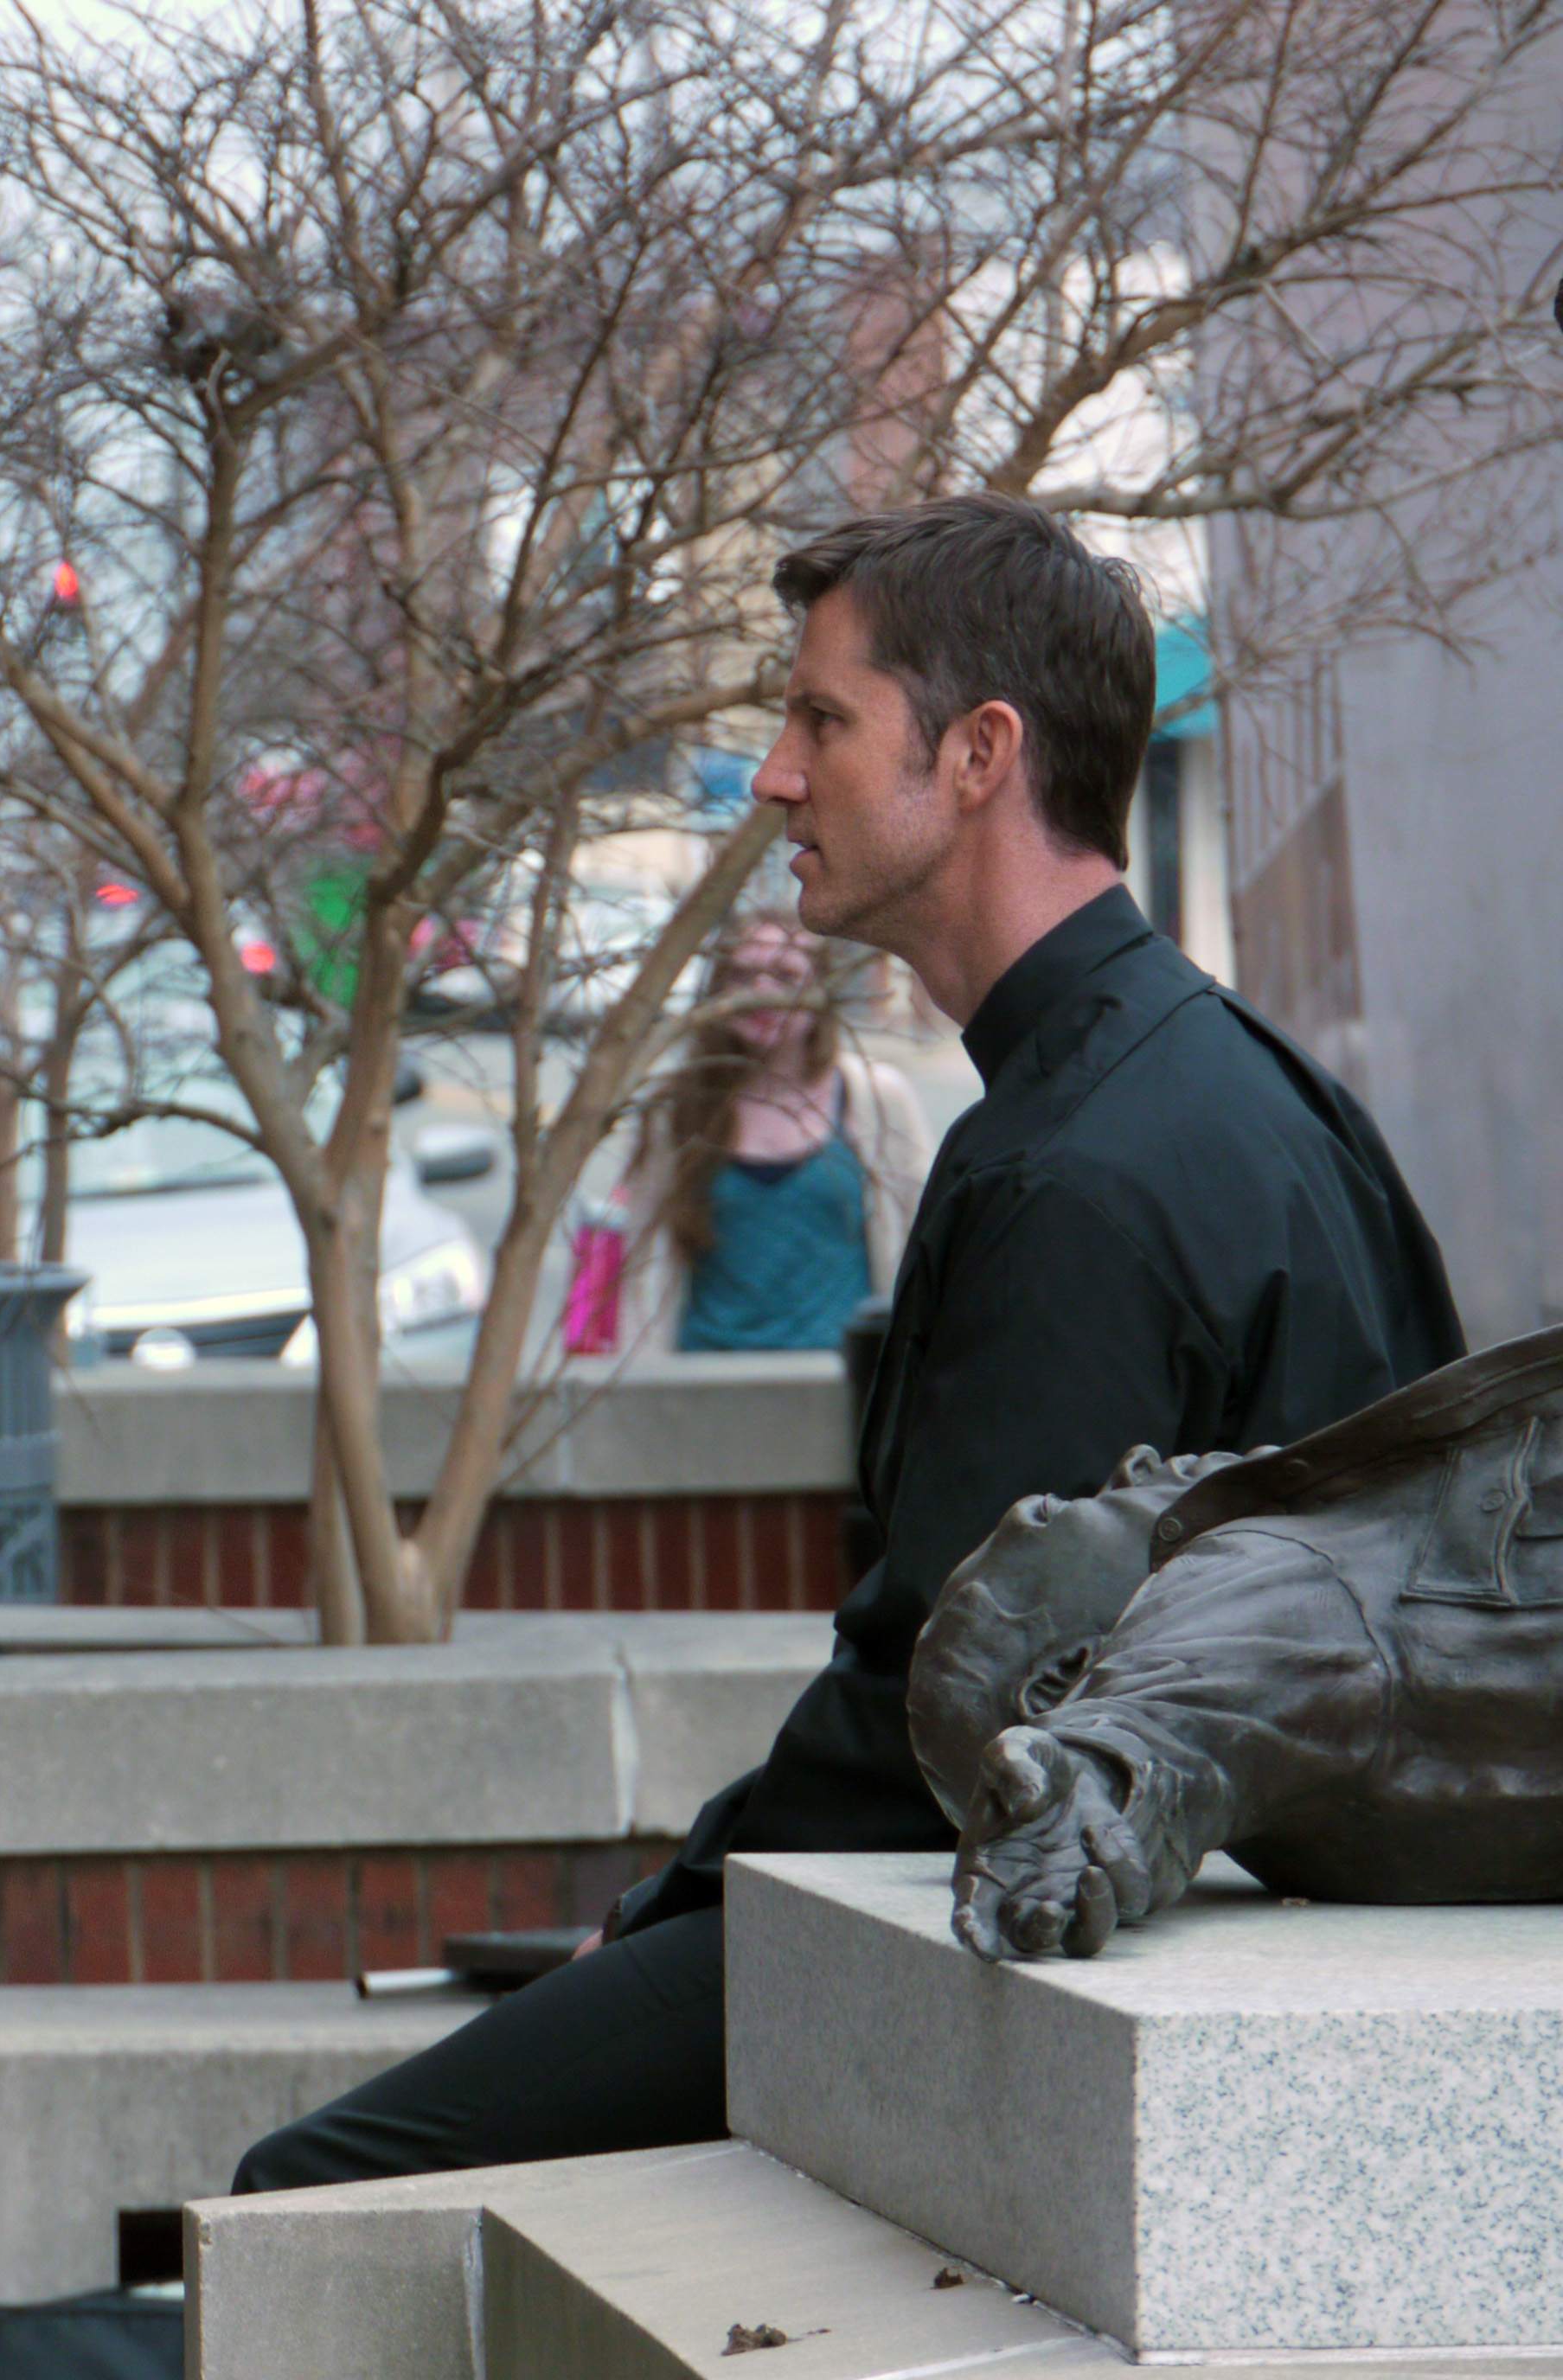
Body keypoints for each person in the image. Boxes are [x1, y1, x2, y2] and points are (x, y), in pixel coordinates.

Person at [234, 489, 1462, 2192]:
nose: (774, 775)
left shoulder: (1074, 1168)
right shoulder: (1224, 1085)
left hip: (1084, 1941)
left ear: (975, 753)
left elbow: (939, 1715)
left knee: (308, 2188)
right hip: (1187, 1916)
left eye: (818, 718)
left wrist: (660, 1917)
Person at [610, 911, 932, 1354]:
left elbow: (926, 1244)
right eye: (742, 975)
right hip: (704, 1388)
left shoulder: (875, 1097)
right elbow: (641, 1265)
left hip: (843, 1388)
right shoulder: (674, 1106)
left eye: (786, 975)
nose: (762, 992)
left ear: (821, 990)